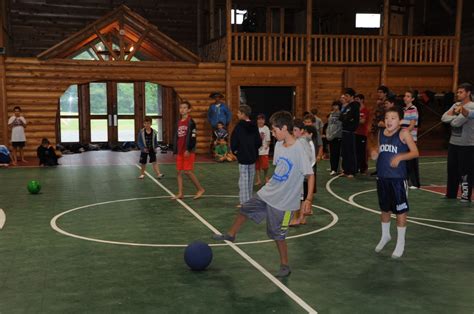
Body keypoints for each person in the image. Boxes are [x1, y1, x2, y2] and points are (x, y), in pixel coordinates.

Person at [212, 111, 314, 278]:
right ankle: (231, 235)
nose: (272, 134)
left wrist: (308, 199)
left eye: (274, 130)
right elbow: (281, 168)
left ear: (284, 128)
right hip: (269, 192)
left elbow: (310, 175)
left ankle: (285, 265)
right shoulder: (280, 146)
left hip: (286, 203)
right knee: (245, 208)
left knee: (279, 234)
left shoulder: (299, 149)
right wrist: (270, 179)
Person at [371, 107, 419, 258]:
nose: (389, 120)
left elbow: (415, 152)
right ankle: (385, 235)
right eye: (387, 118)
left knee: (400, 210)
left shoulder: (403, 133)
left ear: (400, 121)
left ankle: (401, 242)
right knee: (385, 209)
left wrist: (400, 157)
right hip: (382, 178)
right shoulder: (381, 133)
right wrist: (374, 153)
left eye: (393, 118)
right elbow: (379, 150)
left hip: (398, 179)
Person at [441, 83, 474, 202]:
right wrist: (455, 117)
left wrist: (453, 118)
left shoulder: (472, 106)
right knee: (452, 169)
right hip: (453, 143)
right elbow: (444, 118)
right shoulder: (456, 105)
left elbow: (456, 123)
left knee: (465, 171)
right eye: (458, 92)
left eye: (461, 92)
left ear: (468, 93)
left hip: (467, 145)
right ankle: (451, 194)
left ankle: (465, 195)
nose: (458, 94)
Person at [173, 101, 205, 200]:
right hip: (179, 150)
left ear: (189, 110)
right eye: (181, 107)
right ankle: (180, 193)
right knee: (178, 172)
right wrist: (175, 150)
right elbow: (176, 137)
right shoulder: (178, 122)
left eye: (185, 108)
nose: (182, 109)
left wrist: (188, 149)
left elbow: (193, 137)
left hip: (188, 151)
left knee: (187, 171)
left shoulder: (191, 122)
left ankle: (200, 189)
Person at [230, 104, 261, 207]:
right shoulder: (254, 125)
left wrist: (235, 151)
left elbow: (234, 140)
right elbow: (258, 141)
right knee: (250, 178)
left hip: (243, 156)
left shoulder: (239, 126)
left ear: (243, 114)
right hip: (252, 156)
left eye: (239, 113)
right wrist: (254, 150)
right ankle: (249, 200)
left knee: (243, 179)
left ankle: (244, 202)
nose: (237, 114)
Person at [289, 119, 314, 226]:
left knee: (296, 198)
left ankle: (296, 218)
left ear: (302, 131)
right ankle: (302, 217)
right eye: (292, 130)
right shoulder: (300, 141)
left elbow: (308, 158)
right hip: (301, 174)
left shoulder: (301, 142)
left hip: (301, 174)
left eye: (295, 130)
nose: (293, 133)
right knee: (299, 197)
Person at [401, 90, 421, 189]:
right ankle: (406, 180)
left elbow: (412, 125)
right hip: (404, 139)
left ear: (412, 99)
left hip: (410, 139)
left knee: (412, 162)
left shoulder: (413, 109)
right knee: (405, 161)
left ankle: (415, 183)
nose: (405, 98)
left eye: (408, 96)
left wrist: (404, 134)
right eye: (405, 96)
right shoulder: (404, 109)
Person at [339, 88, 360, 178]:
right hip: (344, 131)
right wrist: (346, 118)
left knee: (350, 151)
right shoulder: (346, 106)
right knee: (344, 151)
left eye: (347, 96)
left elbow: (351, 118)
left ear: (352, 96)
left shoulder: (354, 105)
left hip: (350, 131)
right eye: (345, 96)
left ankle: (352, 171)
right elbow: (341, 117)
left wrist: (346, 118)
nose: (345, 97)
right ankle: (346, 170)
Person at [326, 101, 343, 175]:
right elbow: (329, 125)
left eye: (336, 106)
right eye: (333, 106)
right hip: (331, 137)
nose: (334, 107)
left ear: (339, 106)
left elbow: (340, 126)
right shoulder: (331, 114)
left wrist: (334, 134)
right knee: (332, 153)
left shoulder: (341, 114)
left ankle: (337, 168)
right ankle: (333, 168)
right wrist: (328, 134)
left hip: (337, 136)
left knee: (337, 153)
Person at [354, 94, 369, 175]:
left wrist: (354, 119)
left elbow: (363, 121)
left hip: (362, 133)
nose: (356, 101)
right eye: (355, 99)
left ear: (362, 100)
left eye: (358, 99)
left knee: (362, 152)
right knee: (355, 151)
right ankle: (356, 168)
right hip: (355, 133)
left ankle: (363, 169)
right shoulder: (356, 110)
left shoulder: (365, 110)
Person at [255, 114, 271, 186]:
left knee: (265, 166)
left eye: (262, 119)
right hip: (256, 150)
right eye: (259, 119)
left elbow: (268, 139)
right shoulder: (254, 128)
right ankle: (258, 180)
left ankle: (266, 177)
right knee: (257, 166)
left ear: (264, 121)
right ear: (257, 120)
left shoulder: (266, 128)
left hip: (264, 151)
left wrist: (266, 147)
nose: (260, 121)